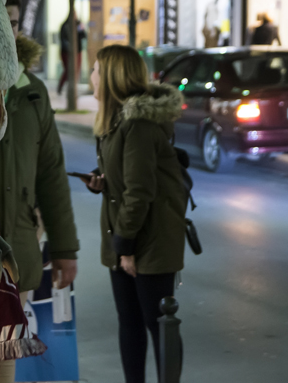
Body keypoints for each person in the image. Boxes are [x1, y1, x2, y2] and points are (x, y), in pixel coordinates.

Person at [0, 0, 79, 383]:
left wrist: (64, 249)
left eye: (13, 23)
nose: (7, 32)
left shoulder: (32, 92)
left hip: (14, 250)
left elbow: (51, 174)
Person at [81, 45, 186, 383]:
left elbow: (139, 192)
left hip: (149, 241)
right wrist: (101, 181)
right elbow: (126, 178)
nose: (91, 76)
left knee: (159, 325)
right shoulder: (115, 122)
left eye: (96, 70)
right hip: (127, 237)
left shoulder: (137, 124)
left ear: (111, 76)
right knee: (129, 323)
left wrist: (126, 247)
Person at [58, 12, 86, 95]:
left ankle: (73, 90)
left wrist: (81, 28)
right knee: (68, 70)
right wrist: (70, 49)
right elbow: (63, 39)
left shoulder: (78, 25)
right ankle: (62, 87)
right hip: (67, 52)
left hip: (77, 51)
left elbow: (83, 36)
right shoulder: (65, 26)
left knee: (76, 70)